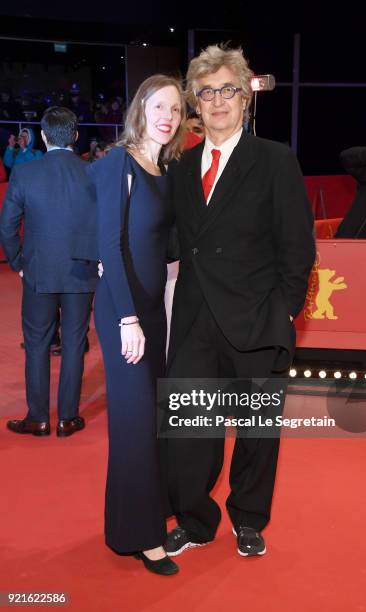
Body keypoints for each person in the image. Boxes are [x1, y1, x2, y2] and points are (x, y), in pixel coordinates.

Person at [162, 44, 315, 558]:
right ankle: (194, 519)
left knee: (256, 433)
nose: (219, 101)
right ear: (196, 104)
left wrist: (283, 313)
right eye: (207, 92)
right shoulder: (181, 167)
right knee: (190, 432)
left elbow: (298, 248)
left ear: (245, 98)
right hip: (194, 320)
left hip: (255, 318)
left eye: (229, 89)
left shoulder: (274, 159)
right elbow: (171, 240)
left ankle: (248, 518)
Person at [88, 75, 185, 576]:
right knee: (134, 421)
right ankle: (143, 537)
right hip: (123, 310)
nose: (167, 115)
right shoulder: (118, 164)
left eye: (175, 108)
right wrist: (127, 316)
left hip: (152, 309)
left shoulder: (162, 170)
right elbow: (111, 245)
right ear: (140, 109)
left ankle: (135, 519)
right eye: (158, 105)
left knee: (151, 418)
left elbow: (163, 246)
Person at [0, 106, 98, 437]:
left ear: (42, 136)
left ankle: (38, 418)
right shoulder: (93, 173)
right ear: (74, 136)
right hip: (82, 273)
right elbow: (105, 224)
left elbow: (7, 228)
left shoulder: (25, 175)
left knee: (37, 344)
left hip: (38, 273)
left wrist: (18, 263)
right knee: (73, 343)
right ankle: (67, 418)